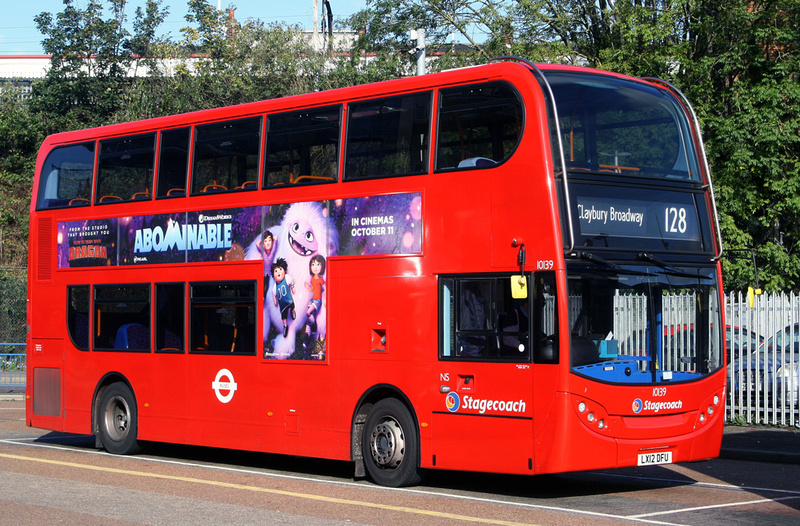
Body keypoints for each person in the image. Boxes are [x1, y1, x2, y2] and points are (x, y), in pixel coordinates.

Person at [271, 258, 296, 337]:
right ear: (273, 275)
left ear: (285, 271)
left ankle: (292, 311)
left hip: (289, 300)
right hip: (282, 305)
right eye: (276, 271)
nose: (278, 272)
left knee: (292, 305)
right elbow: (273, 293)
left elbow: (291, 283)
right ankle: (285, 326)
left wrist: (293, 287)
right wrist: (275, 301)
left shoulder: (287, 278)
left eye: (280, 269)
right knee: (283, 316)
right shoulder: (275, 286)